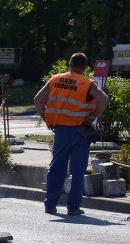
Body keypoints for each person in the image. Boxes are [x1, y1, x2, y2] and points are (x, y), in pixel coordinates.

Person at [34, 53, 109, 216]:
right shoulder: (87, 83)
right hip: (81, 131)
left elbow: (38, 99)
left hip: (61, 131)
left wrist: (47, 119)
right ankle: (73, 207)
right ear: (85, 67)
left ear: (70, 64)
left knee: (57, 168)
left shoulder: (55, 79)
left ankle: (50, 205)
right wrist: (94, 115)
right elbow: (104, 99)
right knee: (78, 171)